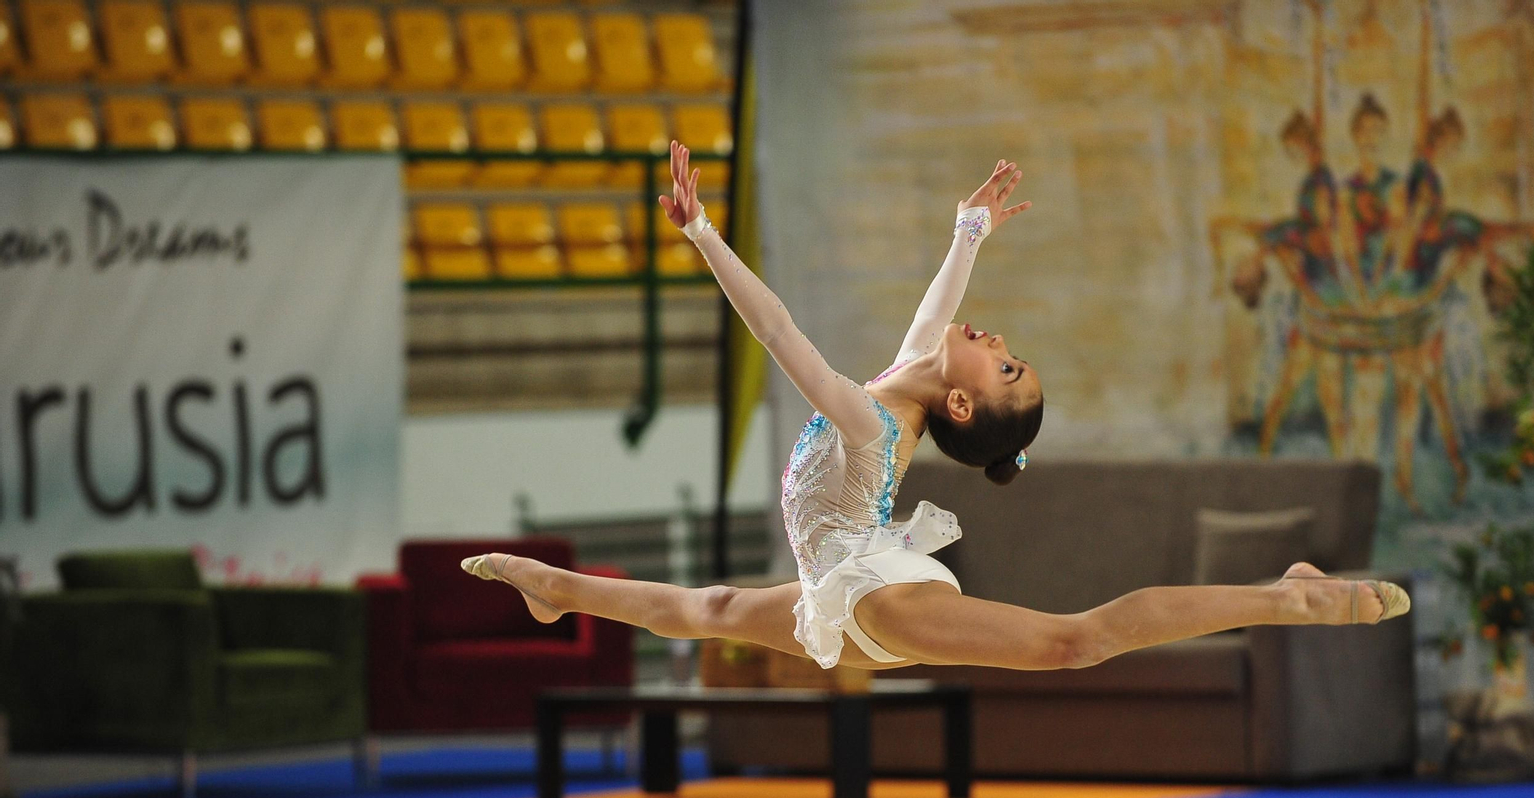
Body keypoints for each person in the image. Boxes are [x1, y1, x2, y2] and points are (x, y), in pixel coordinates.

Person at [464, 143, 1408, 674]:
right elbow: (937, 315)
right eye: (1007, 353)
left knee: (1075, 639)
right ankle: (559, 589)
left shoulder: (871, 423)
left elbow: (779, 329)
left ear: (961, 400)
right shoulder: (913, 377)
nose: (997, 343)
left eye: (1008, 368)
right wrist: (970, 228)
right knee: (708, 603)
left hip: (877, 592)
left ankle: (1289, 596)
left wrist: (705, 233)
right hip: (845, 586)